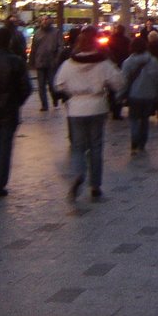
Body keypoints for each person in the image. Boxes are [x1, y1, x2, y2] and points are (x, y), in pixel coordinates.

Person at [54, 27, 125, 202]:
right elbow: (119, 82)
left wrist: (71, 91)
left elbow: (58, 84)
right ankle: (95, 185)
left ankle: (78, 174)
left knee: (78, 146)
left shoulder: (70, 63)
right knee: (96, 146)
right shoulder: (103, 62)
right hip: (97, 106)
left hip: (76, 107)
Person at [0, 26, 32, 196]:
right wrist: (16, 102)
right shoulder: (16, 61)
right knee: (4, 148)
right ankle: (0, 183)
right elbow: (26, 88)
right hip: (9, 111)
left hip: (9, 108)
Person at [119, 36, 158, 154]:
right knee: (145, 120)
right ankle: (142, 144)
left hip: (134, 95)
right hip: (149, 95)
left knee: (134, 119)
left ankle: (134, 141)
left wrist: (120, 95)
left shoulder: (127, 62)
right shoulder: (153, 61)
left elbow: (123, 81)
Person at [29, 15, 63, 111]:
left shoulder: (56, 32)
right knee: (41, 85)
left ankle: (55, 99)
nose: (44, 21)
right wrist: (32, 61)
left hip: (51, 62)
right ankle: (44, 105)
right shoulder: (37, 33)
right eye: (42, 19)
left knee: (52, 84)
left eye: (46, 19)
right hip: (40, 62)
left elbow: (60, 46)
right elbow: (34, 48)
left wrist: (57, 58)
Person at [106, 24, 131, 120]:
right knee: (119, 88)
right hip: (122, 66)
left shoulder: (111, 39)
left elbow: (107, 52)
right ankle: (117, 110)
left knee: (111, 89)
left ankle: (111, 106)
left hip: (112, 66)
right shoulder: (126, 41)